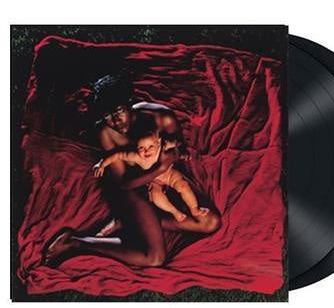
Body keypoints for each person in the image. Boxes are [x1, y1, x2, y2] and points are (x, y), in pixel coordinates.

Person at [43, 75, 220, 267]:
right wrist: (159, 167)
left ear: (130, 103)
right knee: (154, 258)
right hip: (133, 187)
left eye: (119, 111)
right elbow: (124, 183)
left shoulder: (161, 118)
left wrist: (170, 162)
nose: (116, 121)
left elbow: (178, 150)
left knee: (210, 222)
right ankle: (76, 242)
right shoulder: (106, 133)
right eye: (107, 116)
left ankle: (128, 222)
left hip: (164, 179)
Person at [94, 123, 210, 222]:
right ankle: (174, 212)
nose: (146, 151)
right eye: (141, 148)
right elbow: (118, 155)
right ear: (136, 147)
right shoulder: (135, 156)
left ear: (158, 143)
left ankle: (194, 208)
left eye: (151, 146)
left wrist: (183, 151)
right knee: (155, 196)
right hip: (153, 180)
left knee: (183, 186)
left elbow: (177, 143)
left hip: (169, 174)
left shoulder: (162, 147)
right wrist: (102, 164)